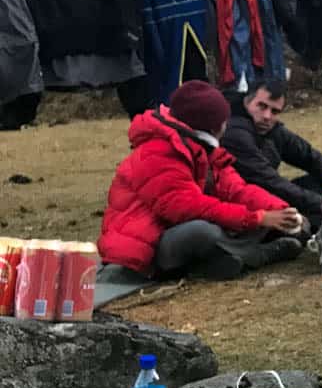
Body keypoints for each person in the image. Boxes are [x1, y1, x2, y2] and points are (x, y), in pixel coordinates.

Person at [97, 80, 306, 281]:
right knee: (203, 231)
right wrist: (258, 218)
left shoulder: (202, 148)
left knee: (243, 221)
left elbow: (237, 190)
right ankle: (257, 255)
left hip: (177, 232)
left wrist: (282, 211)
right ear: (213, 126)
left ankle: (222, 260)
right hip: (149, 247)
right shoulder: (157, 151)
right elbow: (188, 207)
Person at [220, 79, 322, 231]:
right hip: (239, 202)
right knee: (314, 205)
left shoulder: (270, 129)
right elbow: (268, 181)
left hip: (264, 196)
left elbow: (310, 157)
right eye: (261, 106)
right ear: (247, 101)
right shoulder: (233, 131)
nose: (267, 116)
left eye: (274, 111)